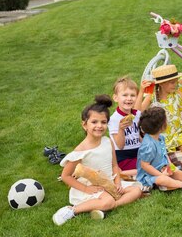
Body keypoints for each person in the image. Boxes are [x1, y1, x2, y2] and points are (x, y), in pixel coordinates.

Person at [52, 95, 142, 226]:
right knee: (107, 201)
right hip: (91, 188)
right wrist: (86, 189)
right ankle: (72, 210)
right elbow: (65, 176)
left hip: (109, 183)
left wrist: (117, 183)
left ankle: (109, 206)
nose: (99, 126)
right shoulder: (81, 150)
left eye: (103, 122)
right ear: (84, 125)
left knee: (137, 190)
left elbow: (115, 166)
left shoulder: (107, 141)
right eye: (94, 122)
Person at [140, 64, 182, 152]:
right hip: (161, 135)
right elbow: (138, 110)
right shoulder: (152, 96)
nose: (175, 85)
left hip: (179, 132)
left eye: (176, 81)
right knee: (162, 153)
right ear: (162, 84)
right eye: (172, 82)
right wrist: (141, 91)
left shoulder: (177, 94)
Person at [108, 76, 143, 178]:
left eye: (132, 95)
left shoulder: (137, 114)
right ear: (116, 98)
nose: (129, 98)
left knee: (158, 159)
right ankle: (120, 173)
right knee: (148, 167)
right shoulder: (114, 119)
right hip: (123, 156)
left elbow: (138, 136)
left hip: (138, 152)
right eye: (125, 95)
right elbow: (120, 145)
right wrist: (121, 129)